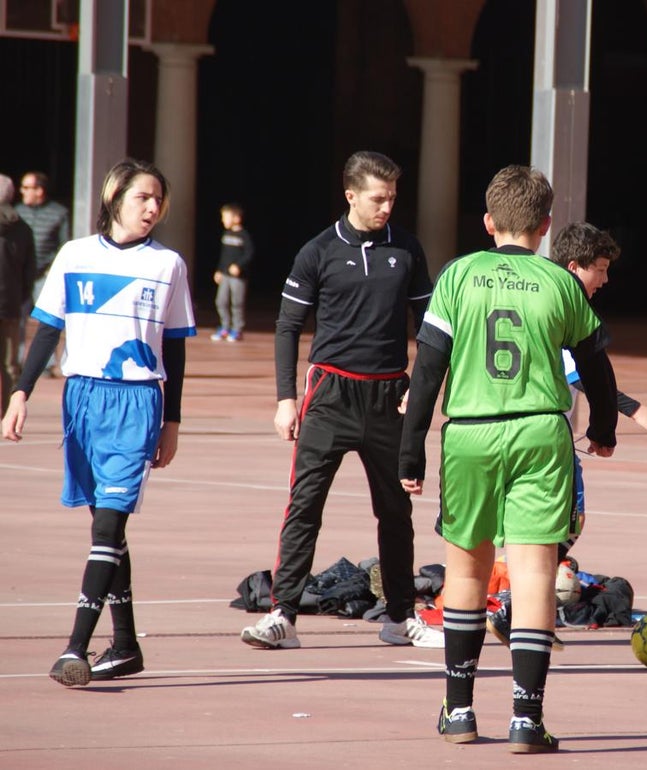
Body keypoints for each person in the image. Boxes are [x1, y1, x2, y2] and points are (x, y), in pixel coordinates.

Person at [399, 166, 618, 753]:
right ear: (545, 226)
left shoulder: (458, 275)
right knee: (534, 574)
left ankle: (459, 711)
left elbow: (428, 369)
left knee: (467, 571)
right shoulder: (561, 283)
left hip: (469, 432)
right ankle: (526, 718)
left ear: (488, 222)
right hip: (539, 431)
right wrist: (602, 427)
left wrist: (410, 450)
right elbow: (595, 364)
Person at [2, 158, 196, 687]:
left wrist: (172, 421)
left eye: (159, 199)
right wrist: (20, 394)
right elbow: (47, 331)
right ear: (115, 198)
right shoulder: (75, 255)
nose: (152, 208)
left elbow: (175, 349)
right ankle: (126, 644)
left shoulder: (168, 265)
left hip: (137, 402)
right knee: (106, 530)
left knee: (109, 526)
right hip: (82, 400)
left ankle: (75, 648)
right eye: (142, 197)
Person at [240, 151, 443, 651]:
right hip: (330, 395)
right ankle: (283, 617)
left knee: (395, 513)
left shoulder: (407, 249)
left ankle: (400, 618)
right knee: (304, 506)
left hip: (390, 397)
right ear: (351, 195)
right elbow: (288, 326)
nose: (387, 207)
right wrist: (286, 399)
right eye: (378, 198)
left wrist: (420, 390)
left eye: (392, 198)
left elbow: (431, 330)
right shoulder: (318, 251)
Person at [484, 222, 647, 646]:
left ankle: (497, 614)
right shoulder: (562, 301)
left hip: (491, 431)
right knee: (562, 525)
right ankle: (512, 611)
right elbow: (585, 373)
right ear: (573, 267)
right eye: (599, 269)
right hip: (543, 439)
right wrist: (634, 412)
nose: (605, 279)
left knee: (513, 531)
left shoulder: (521, 291)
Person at [15, 171, 70, 373]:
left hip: (44, 275)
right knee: (18, 320)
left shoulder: (59, 213)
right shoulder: (17, 212)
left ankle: (46, 364)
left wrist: (51, 270)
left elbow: (64, 244)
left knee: (49, 319)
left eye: (27, 187)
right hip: (20, 275)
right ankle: (18, 362)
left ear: (39, 190)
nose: (22, 191)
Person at [0, 174, 35, 413]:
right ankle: (8, 414)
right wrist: (20, 296)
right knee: (10, 365)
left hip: (11, 300)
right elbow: (29, 270)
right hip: (10, 302)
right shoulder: (22, 228)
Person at [210, 202, 254, 342]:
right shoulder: (226, 234)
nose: (223, 220)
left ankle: (237, 329)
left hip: (238, 277)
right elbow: (224, 256)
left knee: (237, 303)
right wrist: (219, 270)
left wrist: (239, 266)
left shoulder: (243, 235)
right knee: (221, 301)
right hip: (225, 275)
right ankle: (225, 327)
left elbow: (249, 253)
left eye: (226, 217)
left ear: (236, 218)